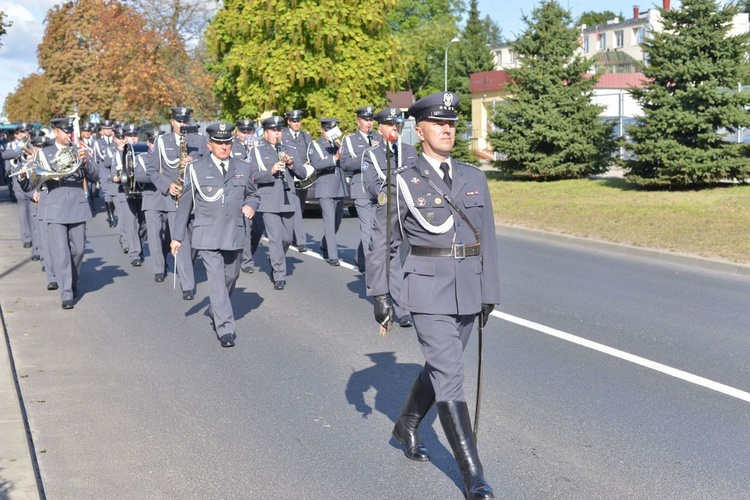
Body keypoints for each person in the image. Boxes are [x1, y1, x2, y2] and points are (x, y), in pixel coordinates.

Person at [365, 92, 501, 500]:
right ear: (419, 130)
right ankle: (473, 475)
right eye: (438, 123)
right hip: (425, 287)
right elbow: (382, 242)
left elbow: (487, 239)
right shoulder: (402, 181)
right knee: (451, 375)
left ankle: (405, 424)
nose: (447, 129)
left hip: (467, 287)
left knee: (442, 368)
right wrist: (380, 293)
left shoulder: (473, 177)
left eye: (452, 123)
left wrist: (489, 292)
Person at [170, 122, 258, 347]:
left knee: (231, 276)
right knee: (217, 280)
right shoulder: (196, 169)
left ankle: (216, 308)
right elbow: (184, 205)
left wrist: (251, 205)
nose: (224, 147)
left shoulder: (243, 167)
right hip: (207, 235)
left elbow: (253, 195)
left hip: (234, 233)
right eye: (219, 143)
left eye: (227, 142)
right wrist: (177, 236)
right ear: (209, 145)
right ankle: (225, 328)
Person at [361, 106, 419, 329]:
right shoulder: (372, 154)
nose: (395, 128)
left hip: (411, 212)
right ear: (381, 127)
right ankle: (402, 308)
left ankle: (408, 298)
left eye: (398, 124)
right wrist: (391, 194)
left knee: (406, 258)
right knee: (391, 259)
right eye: (390, 124)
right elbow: (372, 185)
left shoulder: (409, 150)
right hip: (387, 211)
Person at [36, 117, 100, 309]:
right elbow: (37, 179)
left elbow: (95, 176)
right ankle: (66, 294)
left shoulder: (80, 150)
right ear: (56, 132)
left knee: (79, 249)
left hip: (77, 205)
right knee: (61, 252)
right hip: (56, 206)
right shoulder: (45, 154)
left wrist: (86, 162)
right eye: (65, 132)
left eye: (70, 132)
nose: (68, 135)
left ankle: (71, 281)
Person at [145, 106, 208, 299]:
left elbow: (211, 162)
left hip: (197, 199)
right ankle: (187, 285)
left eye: (186, 121)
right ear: (172, 121)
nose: (183, 124)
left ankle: (185, 264)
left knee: (197, 241)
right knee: (181, 240)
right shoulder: (162, 142)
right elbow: (152, 170)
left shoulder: (199, 140)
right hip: (175, 200)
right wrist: (167, 186)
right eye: (179, 121)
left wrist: (195, 159)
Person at [247, 115, 305, 290]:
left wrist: (292, 163)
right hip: (269, 201)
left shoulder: (289, 149)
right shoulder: (256, 151)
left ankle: (276, 258)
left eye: (279, 130)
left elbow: (302, 174)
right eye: (273, 131)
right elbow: (252, 176)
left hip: (288, 199)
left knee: (287, 239)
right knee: (275, 238)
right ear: (265, 133)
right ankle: (279, 274)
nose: (277, 134)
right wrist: (270, 171)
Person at [340, 105, 376, 272]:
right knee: (367, 227)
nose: (369, 123)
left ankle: (360, 257)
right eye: (366, 120)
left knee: (377, 227)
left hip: (378, 188)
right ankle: (370, 265)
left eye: (371, 120)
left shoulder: (379, 137)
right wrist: (368, 154)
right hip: (360, 188)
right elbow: (345, 163)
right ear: (358, 121)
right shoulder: (350, 140)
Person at [307, 118, 348, 266]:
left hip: (339, 187)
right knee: (329, 222)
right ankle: (333, 256)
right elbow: (317, 164)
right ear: (322, 130)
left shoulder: (338, 144)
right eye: (329, 130)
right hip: (325, 189)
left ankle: (325, 243)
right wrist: (334, 158)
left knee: (337, 222)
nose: (332, 133)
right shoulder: (315, 145)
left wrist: (343, 152)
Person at [233, 119, 264, 274]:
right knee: (246, 226)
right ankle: (246, 261)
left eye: (249, 132)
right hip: (239, 191)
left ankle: (247, 252)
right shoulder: (232, 146)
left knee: (258, 229)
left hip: (257, 190)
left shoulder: (259, 147)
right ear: (238, 132)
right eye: (243, 132)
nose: (246, 135)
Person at [282, 109, 312, 251]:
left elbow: (310, 154)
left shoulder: (306, 136)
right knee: (295, 207)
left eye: (298, 121)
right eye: (294, 121)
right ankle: (301, 241)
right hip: (289, 173)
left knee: (300, 206)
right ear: (289, 122)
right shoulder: (283, 134)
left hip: (302, 174)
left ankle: (293, 234)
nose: (296, 123)